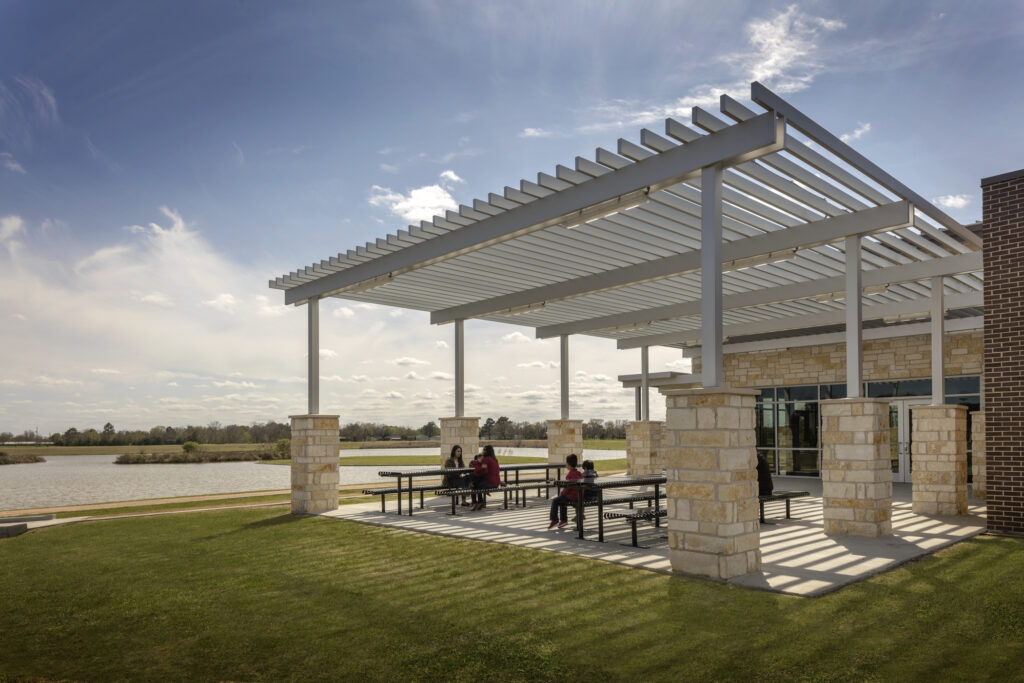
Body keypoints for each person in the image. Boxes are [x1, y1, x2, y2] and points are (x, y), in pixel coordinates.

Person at [548, 453, 582, 529]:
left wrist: (562, 493)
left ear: (568, 465)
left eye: (566, 463)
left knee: (555, 500)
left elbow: (568, 487)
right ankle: (563, 520)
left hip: (572, 496)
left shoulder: (570, 475)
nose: (566, 464)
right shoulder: (579, 473)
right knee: (562, 500)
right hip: (578, 495)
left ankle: (555, 520)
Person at [469, 445, 502, 511]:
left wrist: (478, 470)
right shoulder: (495, 460)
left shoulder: (486, 459)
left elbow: (484, 472)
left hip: (489, 483)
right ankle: (480, 502)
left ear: (485, 451)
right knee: (478, 485)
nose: (482, 451)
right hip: (496, 483)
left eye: (483, 450)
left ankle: (475, 502)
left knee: (473, 485)